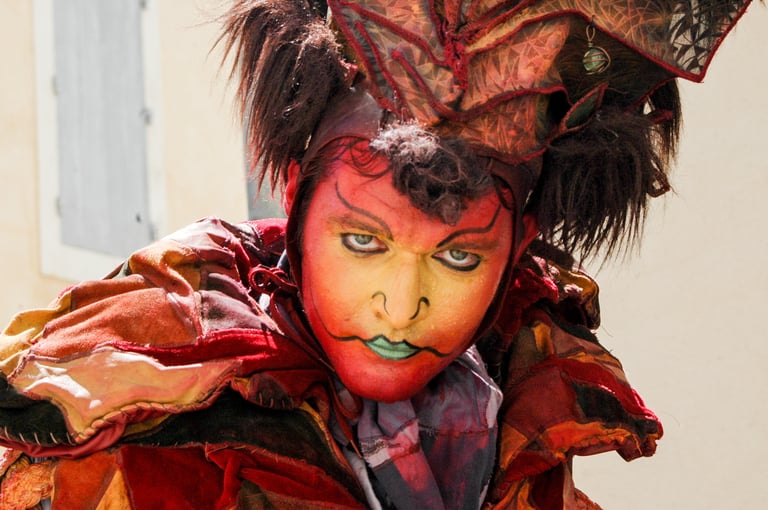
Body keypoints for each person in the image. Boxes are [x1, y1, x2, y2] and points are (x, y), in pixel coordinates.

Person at [0, 0, 753, 508]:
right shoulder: (129, 418)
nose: (399, 306)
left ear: (518, 250)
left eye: (458, 259)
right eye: (362, 241)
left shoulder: (527, 415)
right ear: (295, 198)